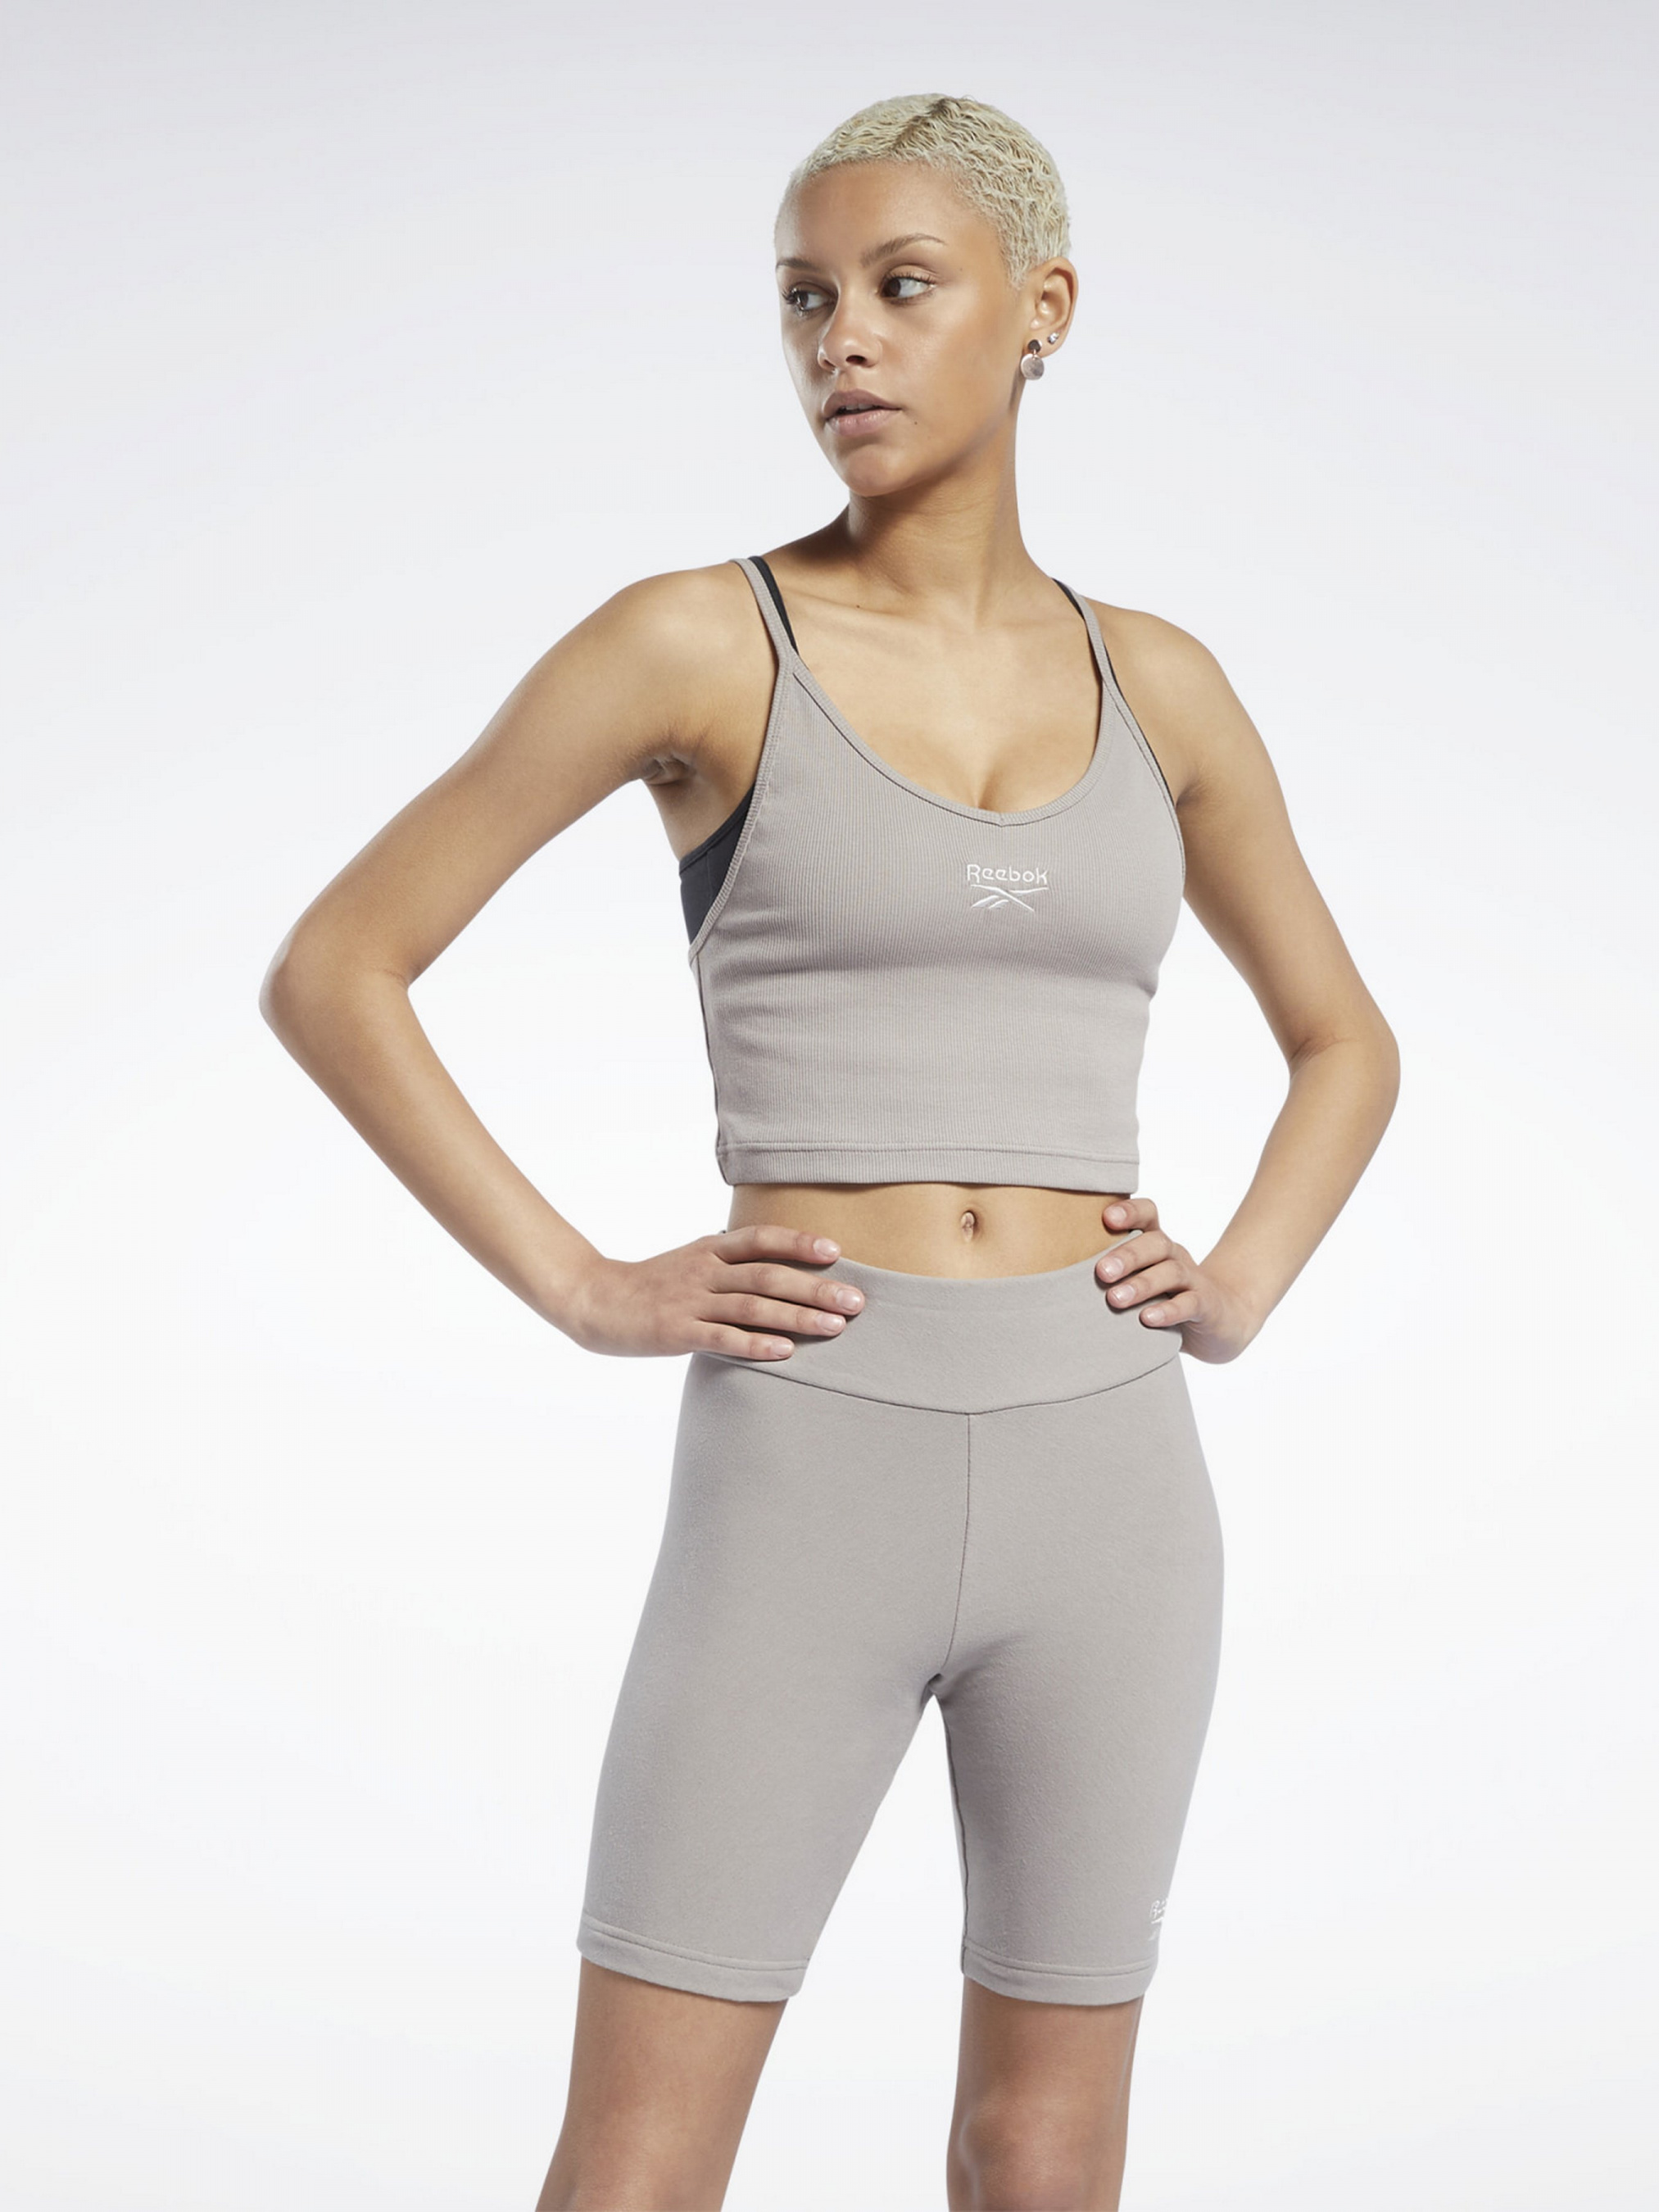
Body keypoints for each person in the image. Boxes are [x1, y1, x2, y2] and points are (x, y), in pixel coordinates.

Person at [261, 91, 1399, 2212]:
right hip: (808, 1454)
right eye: (803, 299)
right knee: (641, 2154)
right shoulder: (698, 640)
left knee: (1040, 2144)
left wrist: (1238, 1278)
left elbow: (1346, 1041)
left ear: (1043, 309)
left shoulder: (1161, 685)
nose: (839, 342)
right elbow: (339, 966)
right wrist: (585, 1285)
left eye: (900, 286)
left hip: (1110, 1473)